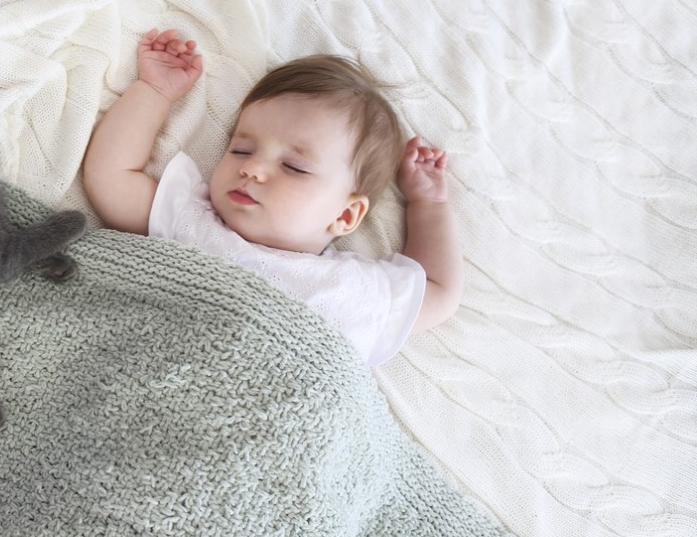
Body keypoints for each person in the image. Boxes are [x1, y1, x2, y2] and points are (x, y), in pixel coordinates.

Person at [82, 29, 462, 365]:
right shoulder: (195, 224)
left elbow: (439, 292)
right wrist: (154, 92)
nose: (253, 169)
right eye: (241, 150)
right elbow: (111, 178)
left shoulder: (351, 290)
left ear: (346, 216)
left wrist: (428, 203)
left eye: (294, 167)